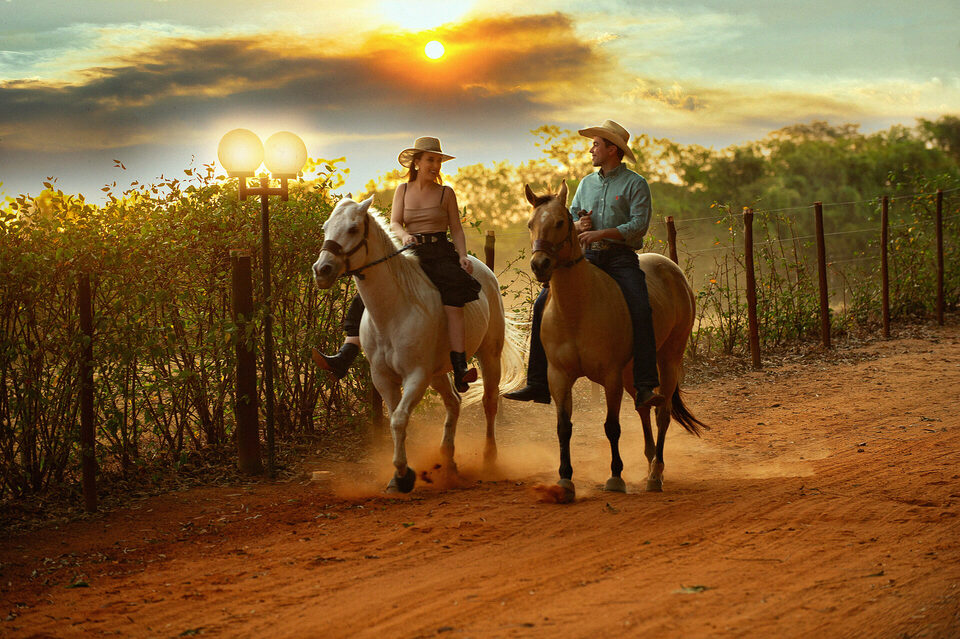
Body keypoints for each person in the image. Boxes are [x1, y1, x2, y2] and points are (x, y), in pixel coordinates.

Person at [505, 119, 663, 410]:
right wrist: (580, 224)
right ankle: (537, 382)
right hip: (586, 257)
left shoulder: (635, 184)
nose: (591, 149)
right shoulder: (586, 184)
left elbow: (639, 225)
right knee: (542, 303)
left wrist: (600, 232)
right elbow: (571, 221)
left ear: (612, 149)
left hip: (619, 257)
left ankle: (644, 384)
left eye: (596, 145)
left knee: (640, 306)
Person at [313, 137, 481, 392]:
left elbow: (456, 229)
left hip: (439, 252)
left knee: (453, 297)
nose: (435, 165)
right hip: (409, 252)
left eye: (437, 160)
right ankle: (345, 355)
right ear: (417, 163)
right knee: (368, 292)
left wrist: (462, 255)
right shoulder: (403, 190)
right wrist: (404, 236)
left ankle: (459, 365)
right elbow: (394, 223)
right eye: (430, 160)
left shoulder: (446, 193)